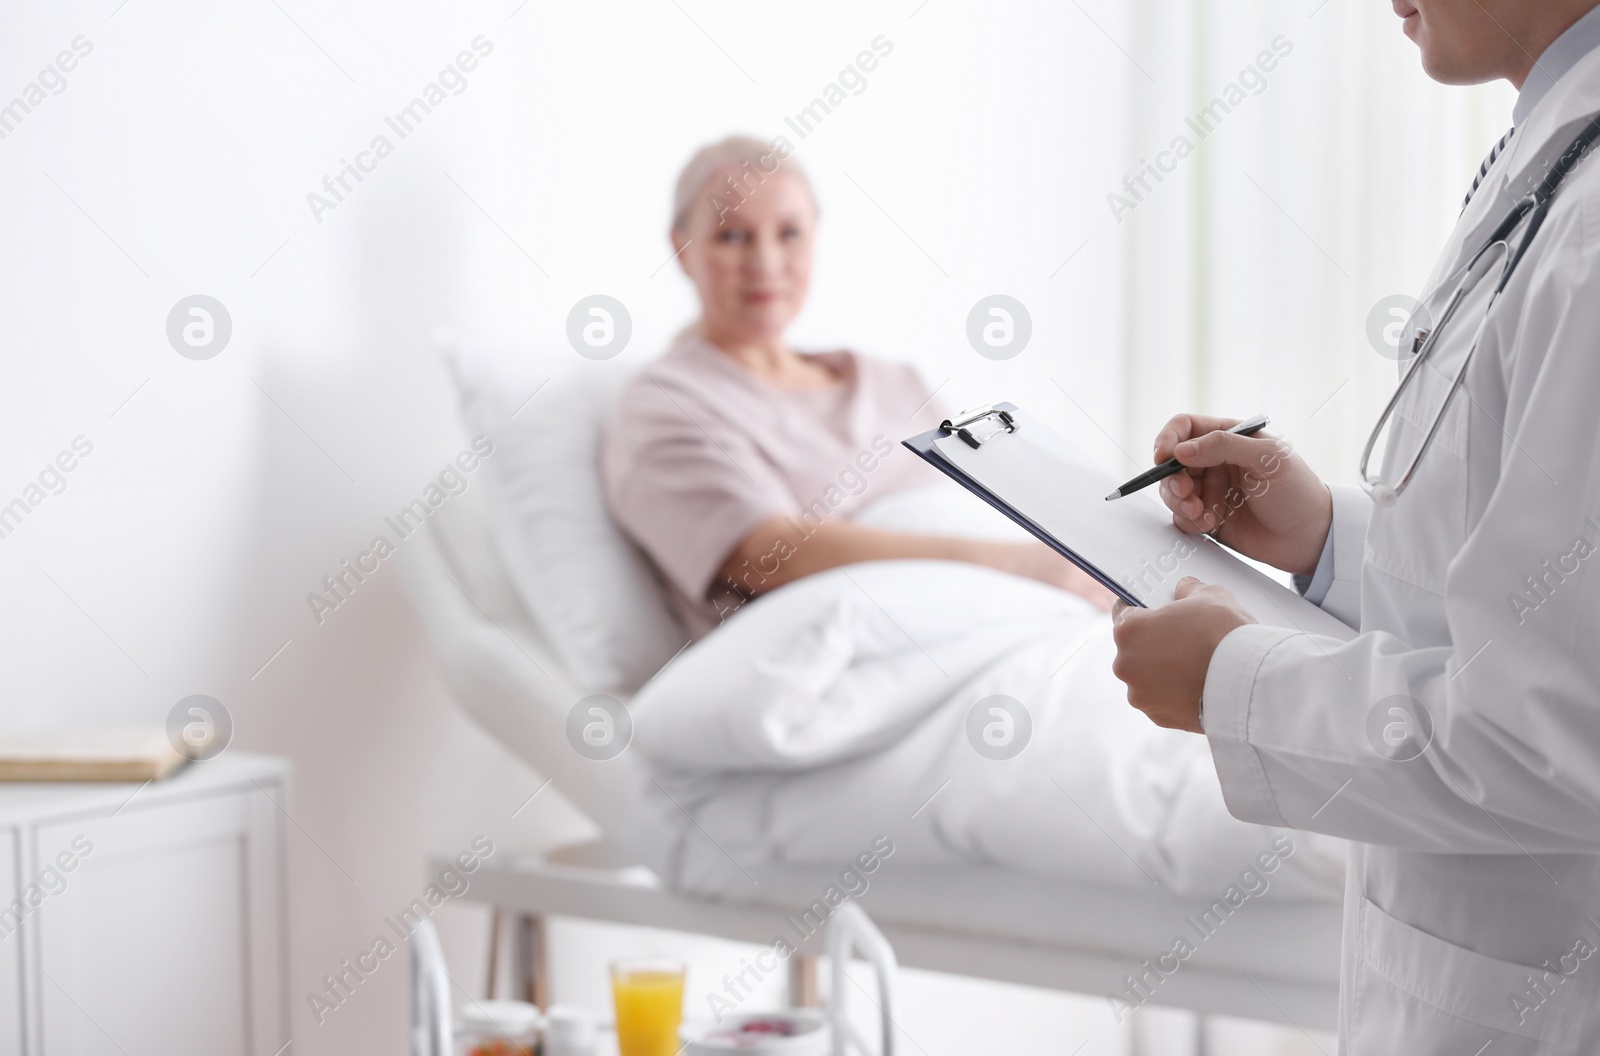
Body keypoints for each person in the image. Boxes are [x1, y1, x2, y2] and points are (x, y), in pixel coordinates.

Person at [1110, 1, 1600, 1049]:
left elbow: (1560, 737)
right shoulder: (1556, 163)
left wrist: (1235, 685)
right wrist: (1326, 537)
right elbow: (1530, 585)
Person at [603, 136, 1111, 639]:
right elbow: (767, 555)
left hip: (1032, 618)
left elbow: (984, 502)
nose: (765, 263)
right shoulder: (667, 405)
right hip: (890, 643)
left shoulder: (894, 380)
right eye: (732, 236)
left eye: (789, 233)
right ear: (682, 249)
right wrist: (1021, 565)